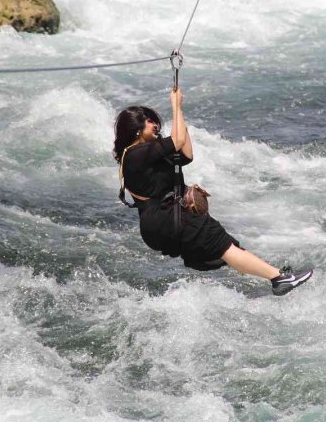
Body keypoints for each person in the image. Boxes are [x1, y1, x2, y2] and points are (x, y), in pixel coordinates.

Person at [113, 86, 313, 296]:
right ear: (136, 128)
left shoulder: (150, 153)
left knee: (227, 247)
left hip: (167, 219)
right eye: (150, 121)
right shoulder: (136, 154)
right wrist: (175, 105)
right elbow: (177, 141)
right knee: (223, 245)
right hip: (165, 218)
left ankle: (276, 275)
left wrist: (179, 114)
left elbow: (186, 154)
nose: (156, 125)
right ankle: (279, 279)